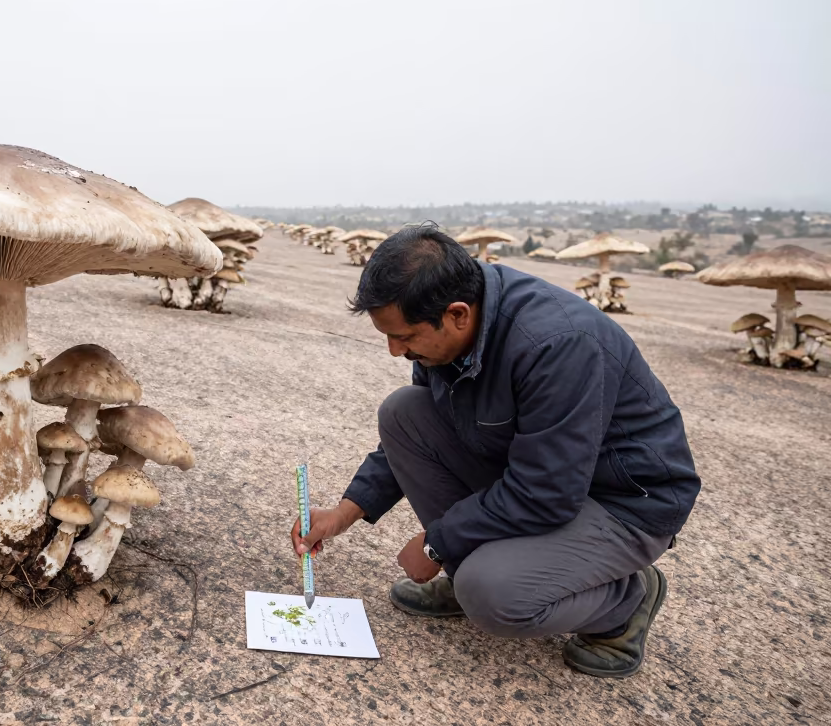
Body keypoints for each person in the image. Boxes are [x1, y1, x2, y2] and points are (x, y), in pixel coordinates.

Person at [291, 224, 700, 678]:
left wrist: (436, 544)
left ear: (458, 314)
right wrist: (343, 513)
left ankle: (625, 601)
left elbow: (548, 493)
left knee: (493, 595)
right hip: (539, 476)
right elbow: (413, 441)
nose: (394, 351)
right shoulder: (450, 333)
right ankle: (473, 572)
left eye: (404, 337)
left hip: (623, 501)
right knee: (404, 411)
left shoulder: (557, 343)